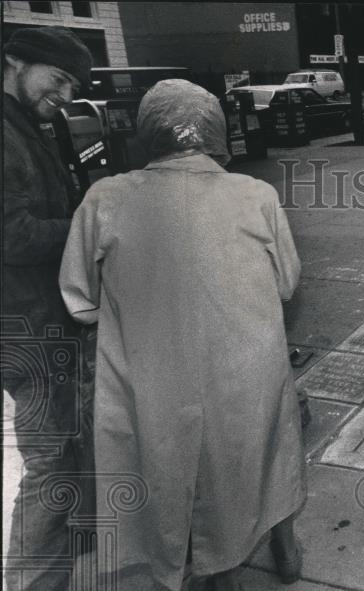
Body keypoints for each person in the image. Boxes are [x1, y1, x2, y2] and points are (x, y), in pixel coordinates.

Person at [59, 80, 305, 591]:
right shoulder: (255, 195)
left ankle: (189, 566)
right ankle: (268, 549)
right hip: (243, 367)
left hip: (153, 370)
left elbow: (79, 299)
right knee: (253, 461)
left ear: (147, 135)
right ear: (217, 133)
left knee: (164, 470)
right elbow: (286, 282)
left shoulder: (105, 197)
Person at [2, 25, 94, 591]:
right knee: (51, 467)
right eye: (57, 79)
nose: (63, 94)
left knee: (65, 449)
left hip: (36, 323)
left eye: (72, 85)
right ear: (15, 60)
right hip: (25, 331)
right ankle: (34, 582)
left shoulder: (24, 126)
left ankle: (60, 561)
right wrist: (88, 225)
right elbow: (10, 235)